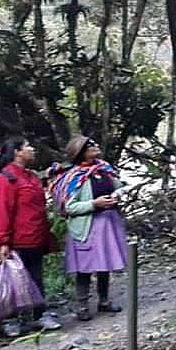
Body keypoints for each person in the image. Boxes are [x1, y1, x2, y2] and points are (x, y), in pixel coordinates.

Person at [0, 136, 62, 336]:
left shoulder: (31, 177)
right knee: (12, 280)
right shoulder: (4, 179)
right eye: (27, 146)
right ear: (17, 152)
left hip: (35, 238)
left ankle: (40, 315)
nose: (32, 149)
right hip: (15, 241)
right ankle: (11, 320)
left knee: (36, 278)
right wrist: (1, 241)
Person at [49, 135, 128, 321]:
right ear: (81, 152)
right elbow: (68, 207)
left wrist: (117, 195)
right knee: (84, 268)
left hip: (108, 224)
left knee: (105, 264)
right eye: (90, 145)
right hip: (86, 227)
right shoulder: (74, 177)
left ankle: (104, 301)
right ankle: (82, 305)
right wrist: (94, 203)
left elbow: (120, 186)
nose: (95, 146)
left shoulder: (104, 169)